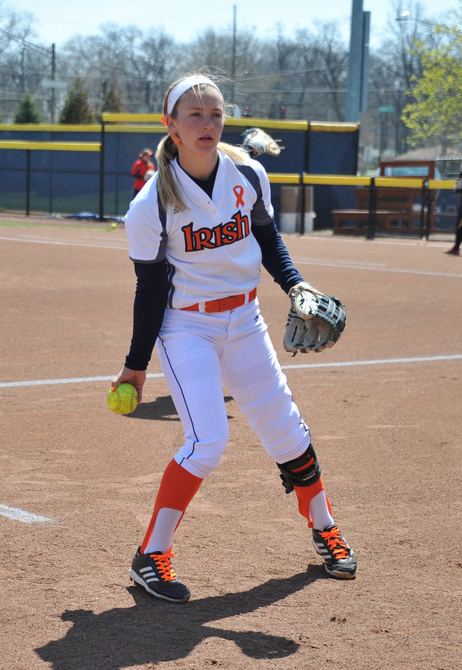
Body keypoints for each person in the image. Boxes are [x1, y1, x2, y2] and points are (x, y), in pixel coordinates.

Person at [113, 74, 357, 603]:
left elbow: (267, 238)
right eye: (195, 115)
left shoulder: (247, 174)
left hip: (245, 322)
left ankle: (325, 528)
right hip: (187, 327)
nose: (207, 124)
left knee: (288, 431)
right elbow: (150, 288)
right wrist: (136, 364)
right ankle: (151, 555)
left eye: (216, 114)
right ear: (170, 126)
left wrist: (297, 285)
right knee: (207, 444)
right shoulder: (151, 204)